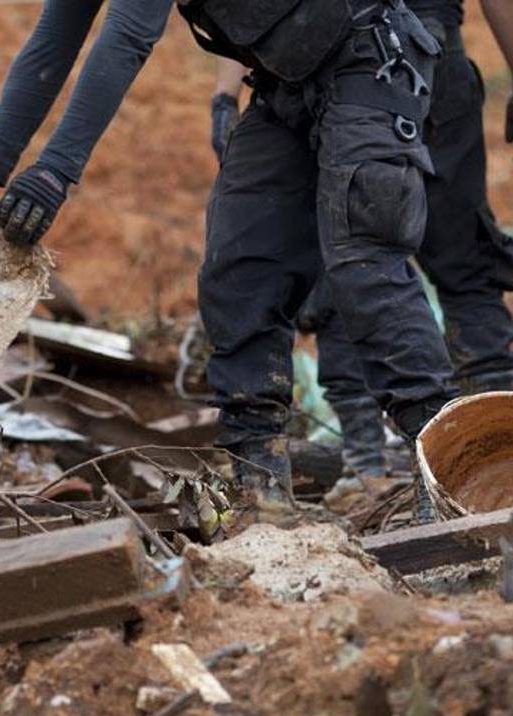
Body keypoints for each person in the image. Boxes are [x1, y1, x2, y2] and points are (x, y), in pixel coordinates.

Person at [0, 0, 457, 518]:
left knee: (363, 268)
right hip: (289, 85)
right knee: (239, 271)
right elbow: (52, 41)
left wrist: (55, 172)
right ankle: (261, 496)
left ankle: (456, 475)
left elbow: (129, 35)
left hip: (369, 60)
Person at [209, 1, 513, 499]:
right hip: (358, 59)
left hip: (364, 58)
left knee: (371, 258)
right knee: (406, 264)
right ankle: (468, 467)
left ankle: (478, 470)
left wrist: (224, 93)